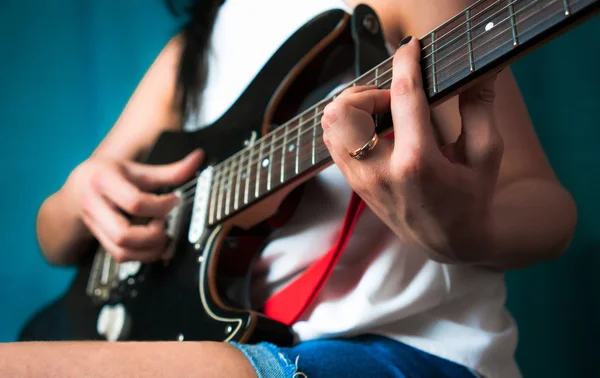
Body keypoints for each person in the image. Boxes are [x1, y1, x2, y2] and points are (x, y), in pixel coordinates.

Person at [1, 0, 577, 377]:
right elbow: (52, 239)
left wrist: (466, 231)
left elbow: (547, 205)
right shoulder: (187, 57)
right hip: (238, 342)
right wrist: (79, 195)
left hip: (412, 351)